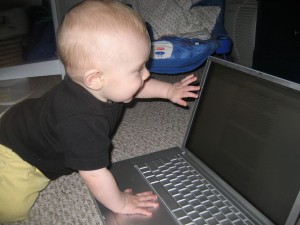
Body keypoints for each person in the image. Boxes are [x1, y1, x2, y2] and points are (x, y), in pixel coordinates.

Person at [0, 0, 200, 222]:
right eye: (138, 69)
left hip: (24, 118)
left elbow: (139, 87)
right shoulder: (81, 121)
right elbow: (94, 175)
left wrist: (170, 90)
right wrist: (121, 203)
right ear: (95, 79)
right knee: (9, 211)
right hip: (16, 152)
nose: (146, 74)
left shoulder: (106, 85)